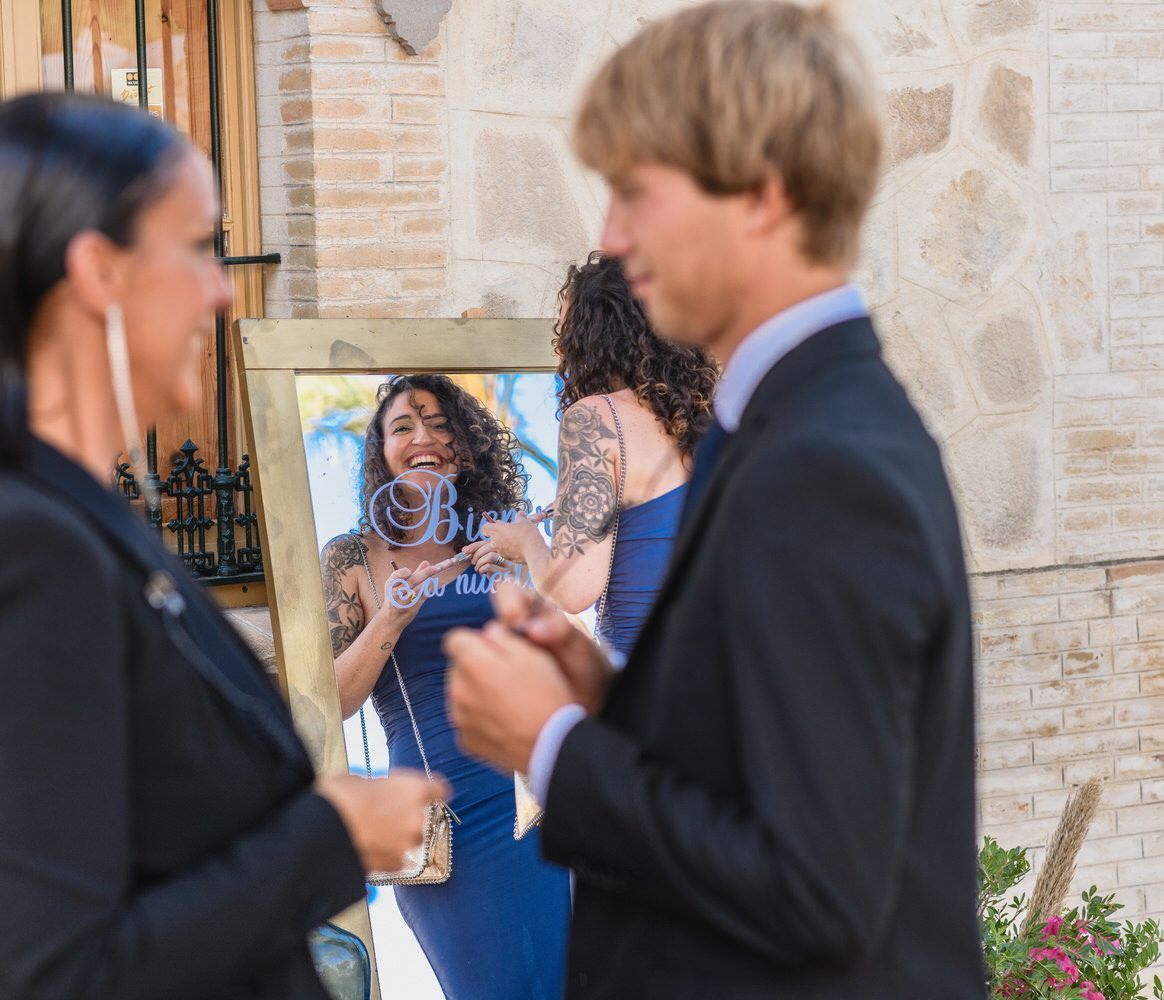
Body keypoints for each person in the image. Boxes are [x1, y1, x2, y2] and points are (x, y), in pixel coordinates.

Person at [444, 2, 986, 997]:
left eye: (636, 193)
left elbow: (820, 890)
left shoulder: (828, 465)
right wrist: (610, 702)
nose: (611, 235)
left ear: (761, 195)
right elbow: (767, 758)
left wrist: (555, 748)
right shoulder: (772, 423)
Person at [0, 93, 445, 1000]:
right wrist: (331, 838)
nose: (222, 290)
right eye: (196, 247)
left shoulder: (70, 515)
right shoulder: (16, 549)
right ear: (99, 271)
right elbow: (65, 973)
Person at [319, 374, 570, 1000]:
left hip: (535, 798)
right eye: (402, 427)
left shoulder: (506, 540)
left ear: (467, 445)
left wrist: (521, 577)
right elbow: (334, 701)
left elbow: (567, 664)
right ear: (381, 452)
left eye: (439, 424)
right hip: (439, 823)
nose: (422, 438)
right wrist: (391, 618)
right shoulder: (353, 558)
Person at [465, 252, 716, 658]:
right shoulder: (713, 424)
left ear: (597, 335)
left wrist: (525, 542)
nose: (561, 352)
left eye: (567, 334)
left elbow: (574, 587)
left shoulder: (596, 419)